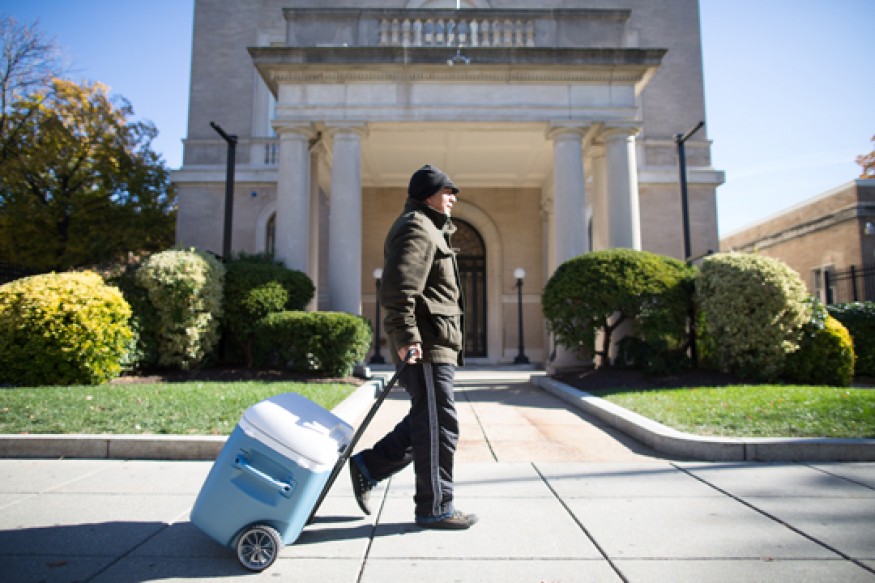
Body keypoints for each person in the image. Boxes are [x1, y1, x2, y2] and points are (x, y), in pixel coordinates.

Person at [348, 164, 477, 530]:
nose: (453, 195)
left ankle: (368, 467)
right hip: (427, 344)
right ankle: (436, 507)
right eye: (447, 190)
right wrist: (406, 338)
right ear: (427, 194)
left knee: (429, 421)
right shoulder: (416, 227)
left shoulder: (432, 229)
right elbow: (398, 291)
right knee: (440, 426)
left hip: (437, 342)